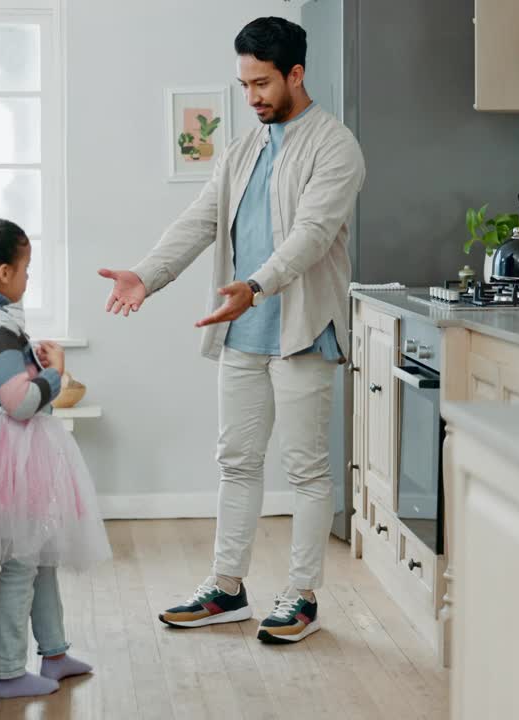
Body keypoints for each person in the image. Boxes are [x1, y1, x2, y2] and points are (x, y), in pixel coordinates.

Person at [98, 17, 365, 644]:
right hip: (243, 331)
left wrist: (255, 286)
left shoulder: (336, 147)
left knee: (304, 470)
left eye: (262, 84)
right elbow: (199, 221)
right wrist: (146, 274)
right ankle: (227, 588)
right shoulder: (245, 149)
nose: (252, 98)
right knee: (236, 462)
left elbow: (311, 236)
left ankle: (301, 596)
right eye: (244, 85)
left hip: (301, 329)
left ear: (296, 74)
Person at [0, 216, 112, 696]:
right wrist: (55, 374)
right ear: (4, 274)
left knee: (40, 554)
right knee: (22, 562)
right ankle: (9, 671)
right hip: (11, 448)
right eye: (26, 268)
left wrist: (34, 362)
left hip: (16, 448)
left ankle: (53, 652)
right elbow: (20, 402)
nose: (29, 277)